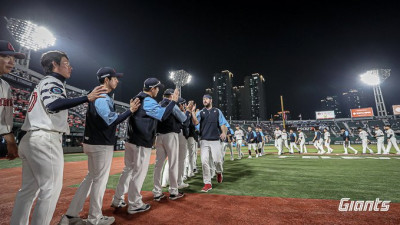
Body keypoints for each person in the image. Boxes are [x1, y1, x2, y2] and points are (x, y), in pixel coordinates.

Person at [11, 50, 107, 225]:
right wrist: (87, 97)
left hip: (32, 138)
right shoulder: (52, 81)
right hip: (45, 139)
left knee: (28, 191)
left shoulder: (45, 82)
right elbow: (53, 105)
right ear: (54, 65)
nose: (71, 67)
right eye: (66, 63)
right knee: (50, 189)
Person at [59, 67, 141, 225]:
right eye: (115, 78)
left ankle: (71, 214)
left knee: (90, 178)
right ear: (106, 80)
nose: (117, 80)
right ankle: (95, 218)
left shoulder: (99, 94)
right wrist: (129, 111)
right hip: (100, 144)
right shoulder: (102, 96)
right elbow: (111, 120)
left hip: (93, 142)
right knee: (99, 181)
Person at [110, 78, 179, 214]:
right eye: (157, 88)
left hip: (131, 139)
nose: (158, 91)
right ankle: (134, 204)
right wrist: (173, 102)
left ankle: (117, 199)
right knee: (138, 172)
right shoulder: (147, 100)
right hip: (140, 141)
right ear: (152, 89)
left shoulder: (137, 97)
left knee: (128, 170)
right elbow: (163, 115)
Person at [153, 90, 188, 202]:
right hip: (170, 135)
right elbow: (184, 119)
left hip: (159, 136)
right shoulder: (172, 104)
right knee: (173, 163)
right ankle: (173, 191)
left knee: (158, 164)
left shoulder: (158, 104)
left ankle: (157, 192)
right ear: (172, 96)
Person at [191, 94, 228, 192]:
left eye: (206, 99)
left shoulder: (217, 111)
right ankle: (207, 183)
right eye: (203, 99)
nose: (204, 100)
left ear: (211, 100)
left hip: (215, 140)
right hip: (204, 140)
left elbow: (223, 124)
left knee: (217, 161)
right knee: (204, 162)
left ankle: (219, 172)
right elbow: (195, 123)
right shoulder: (201, 112)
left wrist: (224, 132)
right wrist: (192, 112)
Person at [0, 40, 25, 161]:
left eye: (14, 58)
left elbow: (5, 116)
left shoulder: (5, 86)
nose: (12, 62)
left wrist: (10, 139)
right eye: (5, 56)